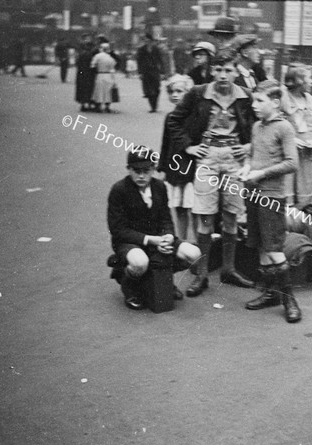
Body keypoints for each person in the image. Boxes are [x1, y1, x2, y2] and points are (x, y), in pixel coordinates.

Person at [166, 47, 256, 297]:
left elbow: (261, 124)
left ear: (236, 71)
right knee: (205, 216)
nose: (223, 75)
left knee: (231, 216)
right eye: (218, 69)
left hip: (233, 160)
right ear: (211, 70)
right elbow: (175, 120)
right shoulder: (198, 93)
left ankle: (228, 268)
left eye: (228, 70)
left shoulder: (246, 95)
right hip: (207, 159)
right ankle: (202, 274)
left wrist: (249, 146)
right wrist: (189, 146)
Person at [239, 80, 301, 323]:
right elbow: (254, 155)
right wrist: (245, 168)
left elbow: (292, 163)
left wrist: (261, 174)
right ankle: (270, 294)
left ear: (275, 103)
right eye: (254, 100)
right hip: (252, 194)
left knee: (274, 249)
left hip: (271, 198)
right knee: (262, 247)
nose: (254, 105)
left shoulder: (284, 127)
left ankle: (289, 300)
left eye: (259, 101)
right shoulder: (257, 126)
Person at [107, 147, 201, 310]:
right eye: (136, 171)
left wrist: (169, 236)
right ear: (128, 169)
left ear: (153, 169)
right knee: (140, 262)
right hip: (130, 242)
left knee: (194, 254)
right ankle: (128, 284)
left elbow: (166, 218)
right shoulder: (119, 190)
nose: (141, 175)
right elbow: (118, 230)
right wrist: (152, 240)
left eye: (146, 170)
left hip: (158, 238)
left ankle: (163, 280)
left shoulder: (160, 187)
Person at [281, 63, 312, 208]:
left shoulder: (311, 100)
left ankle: (303, 225)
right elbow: (276, 125)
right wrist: (291, 140)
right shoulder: (283, 98)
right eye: (309, 79)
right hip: (288, 155)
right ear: (299, 81)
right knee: (288, 197)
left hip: (307, 155)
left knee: (306, 198)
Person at [158, 74, 196, 240]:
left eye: (179, 91)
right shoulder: (170, 117)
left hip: (191, 169)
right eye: (172, 91)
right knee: (179, 208)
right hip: (174, 168)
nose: (174, 95)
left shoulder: (195, 117)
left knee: (195, 209)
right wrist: (162, 165)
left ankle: (198, 244)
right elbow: (166, 143)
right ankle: (182, 241)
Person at [136, 33, 164, 113]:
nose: (147, 42)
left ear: (151, 41)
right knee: (148, 90)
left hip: (155, 71)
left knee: (157, 88)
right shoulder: (141, 49)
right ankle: (153, 107)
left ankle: (155, 104)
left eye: (148, 40)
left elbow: (160, 60)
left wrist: (162, 72)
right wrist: (140, 72)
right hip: (146, 71)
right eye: (145, 40)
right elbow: (139, 61)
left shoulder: (156, 49)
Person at [90, 42, 116, 113]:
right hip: (108, 75)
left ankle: (98, 106)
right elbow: (112, 68)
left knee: (99, 91)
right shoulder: (110, 58)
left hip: (100, 74)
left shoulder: (97, 56)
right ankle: (107, 107)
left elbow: (92, 65)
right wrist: (113, 79)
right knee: (107, 91)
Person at [75, 35, 96, 111]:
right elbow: (93, 66)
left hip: (81, 74)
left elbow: (77, 64)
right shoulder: (92, 55)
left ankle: (83, 104)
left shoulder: (81, 54)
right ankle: (90, 104)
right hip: (90, 75)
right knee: (89, 89)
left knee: (82, 89)